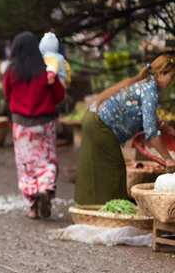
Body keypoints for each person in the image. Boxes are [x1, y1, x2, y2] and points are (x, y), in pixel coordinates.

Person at [75, 55, 175, 205]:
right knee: (115, 170)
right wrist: (168, 158)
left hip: (95, 119)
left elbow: (148, 118)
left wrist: (167, 128)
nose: (172, 81)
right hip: (101, 125)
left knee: (97, 167)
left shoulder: (146, 84)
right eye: (171, 77)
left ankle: (96, 205)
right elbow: (151, 133)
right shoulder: (150, 91)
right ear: (160, 74)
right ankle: (109, 208)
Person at [3, 31, 65, 219]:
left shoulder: (11, 72)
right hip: (44, 124)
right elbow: (59, 97)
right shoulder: (46, 72)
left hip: (21, 126)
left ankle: (32, 207)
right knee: (46, 160)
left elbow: (7, 94)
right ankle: (45, 188)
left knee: (26, 164)